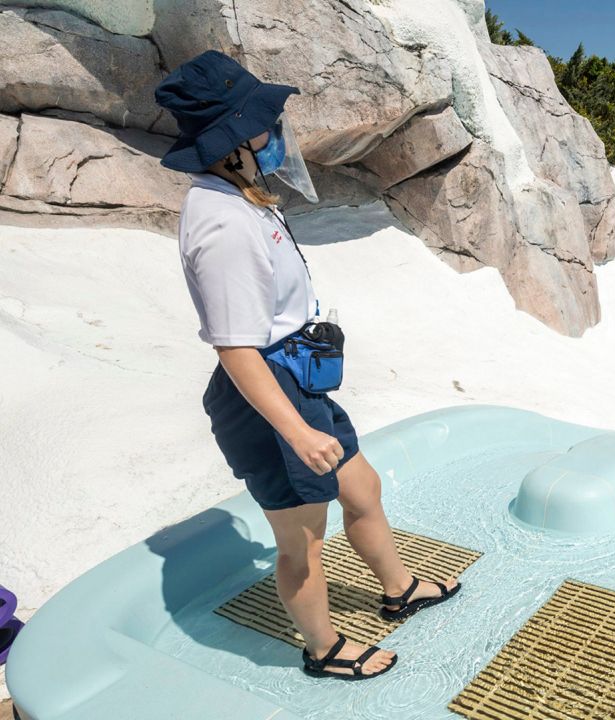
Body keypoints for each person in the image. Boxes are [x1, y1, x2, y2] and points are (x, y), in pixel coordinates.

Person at [154, 51, 459, 681]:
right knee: (302, 542)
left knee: (362, 489)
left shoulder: (242, 196)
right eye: (266, 122)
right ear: (235, 139)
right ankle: (323, 650)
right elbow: (236, 348)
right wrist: (296, 430)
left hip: (295, 381)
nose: (279, 131)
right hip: (269, 397)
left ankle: (398, 589)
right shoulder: (223, 225)